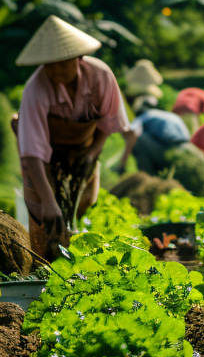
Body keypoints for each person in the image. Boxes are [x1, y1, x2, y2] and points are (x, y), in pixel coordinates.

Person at [12, 16, 129, 259]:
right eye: (49, 64)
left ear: (78, 58)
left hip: (83, 150)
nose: (54, 70)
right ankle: (44, 263)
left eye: (61, 63)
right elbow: (33, 152)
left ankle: (78, 257)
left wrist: (92, 153)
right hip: (44, 157)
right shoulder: (36, 88)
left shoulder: (101, 77)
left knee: (82, 206)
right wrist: (48, 200)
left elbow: (108, 123)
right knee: (46, 217)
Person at [116, 95, 192, 177]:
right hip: (184, 152)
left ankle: (146, 177)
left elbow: (132, 135)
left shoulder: (146, 115)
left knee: (140, 139)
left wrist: (122, 164)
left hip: (169, 152)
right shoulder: (168, 115)